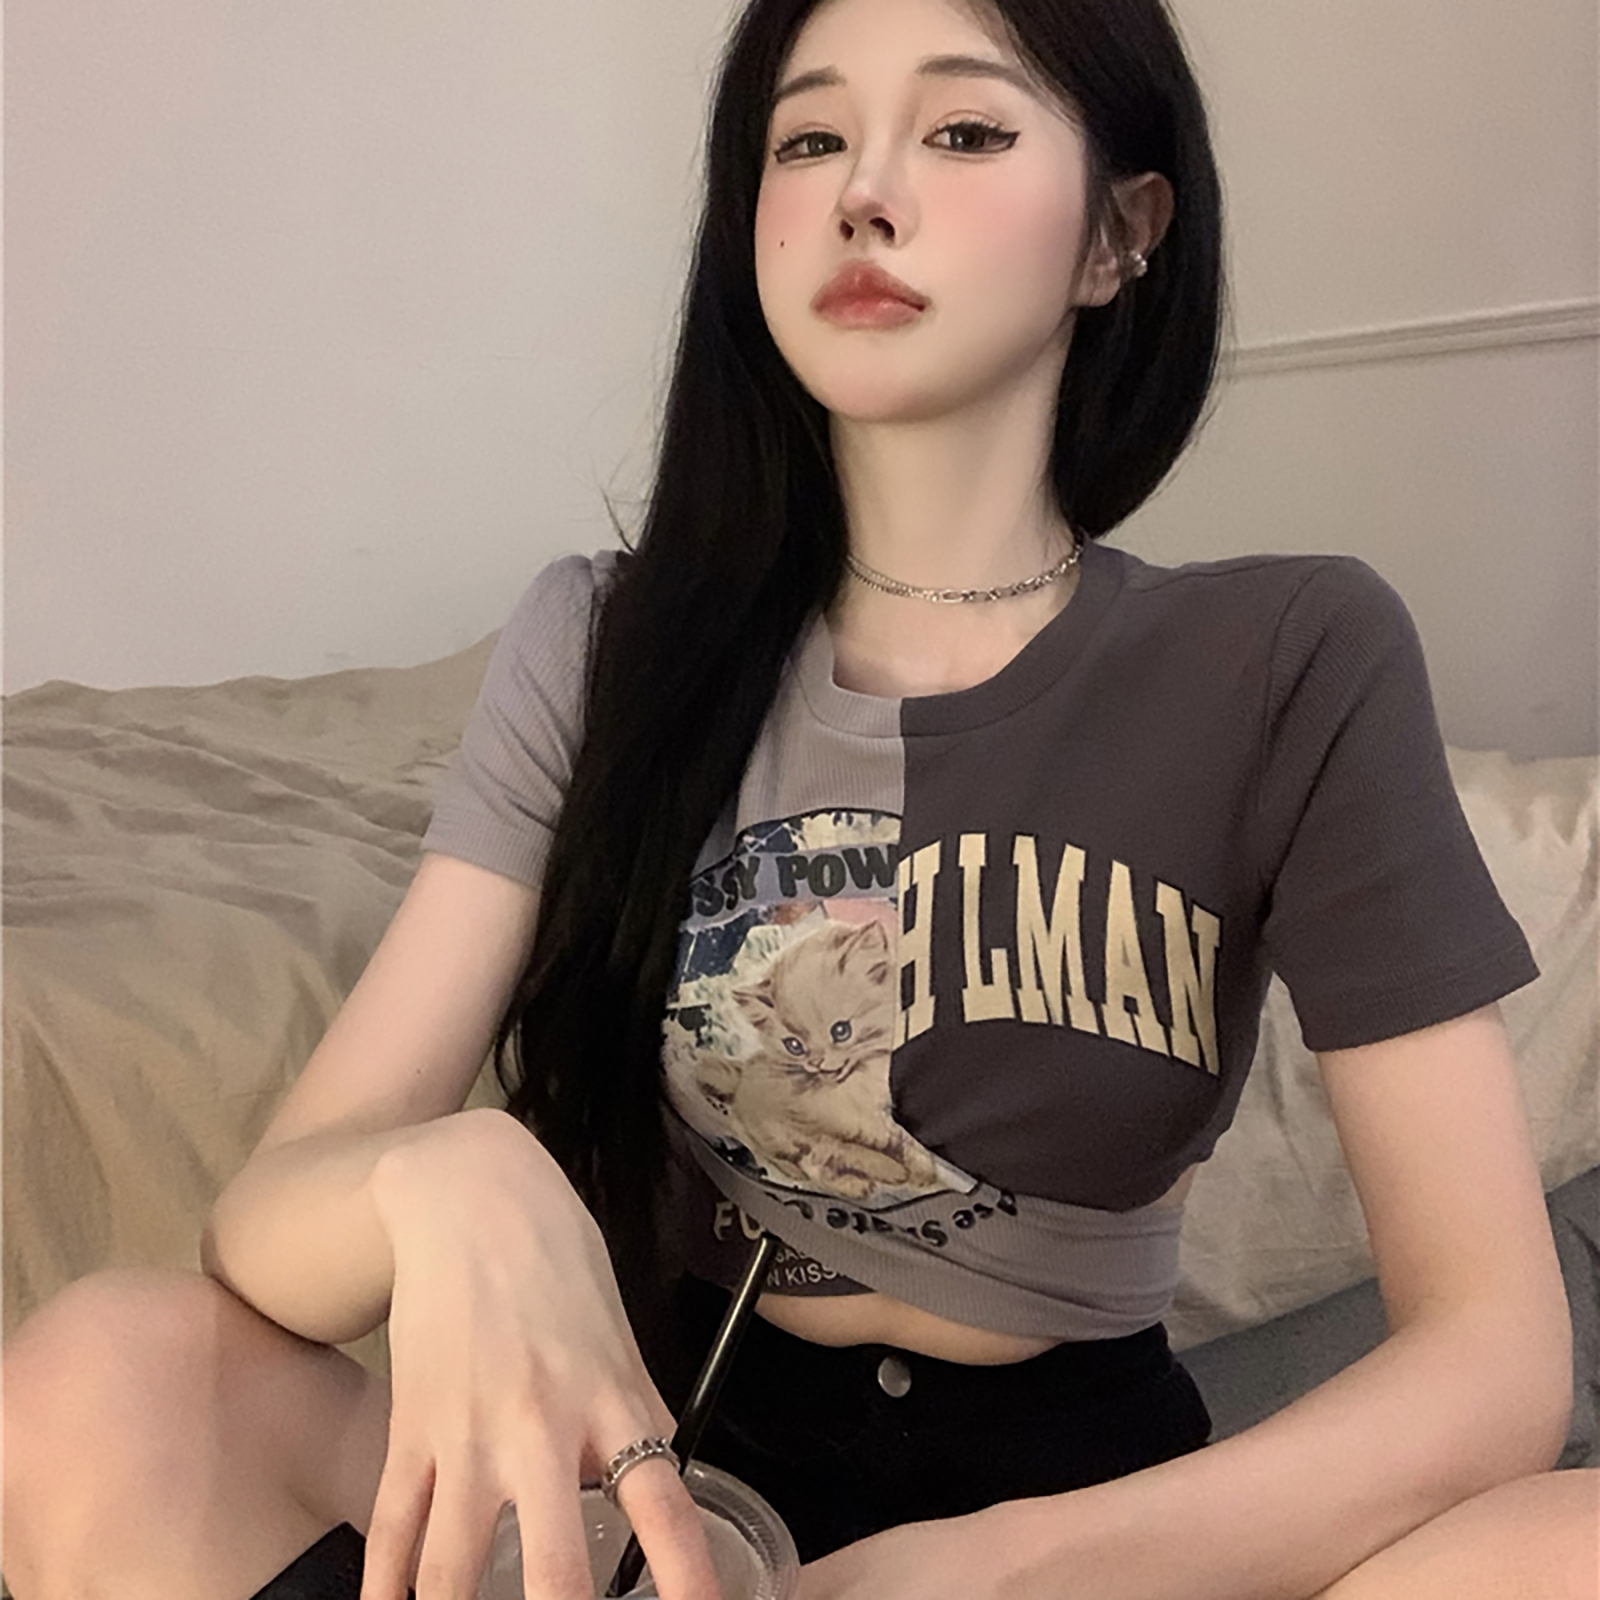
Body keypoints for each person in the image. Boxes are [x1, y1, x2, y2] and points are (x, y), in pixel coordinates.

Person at [4, 1, 1591, 1598]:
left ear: (1121, 232)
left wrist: (967, 1577)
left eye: (963, 131)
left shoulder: (1288, 655)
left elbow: (1495, 1361)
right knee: (111, 1377)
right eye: (811, 138)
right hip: (666, 1504)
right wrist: (448, 1181)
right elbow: (264, 1238)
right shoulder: (605, 646)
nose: (864, 193)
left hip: (1078, 1537)